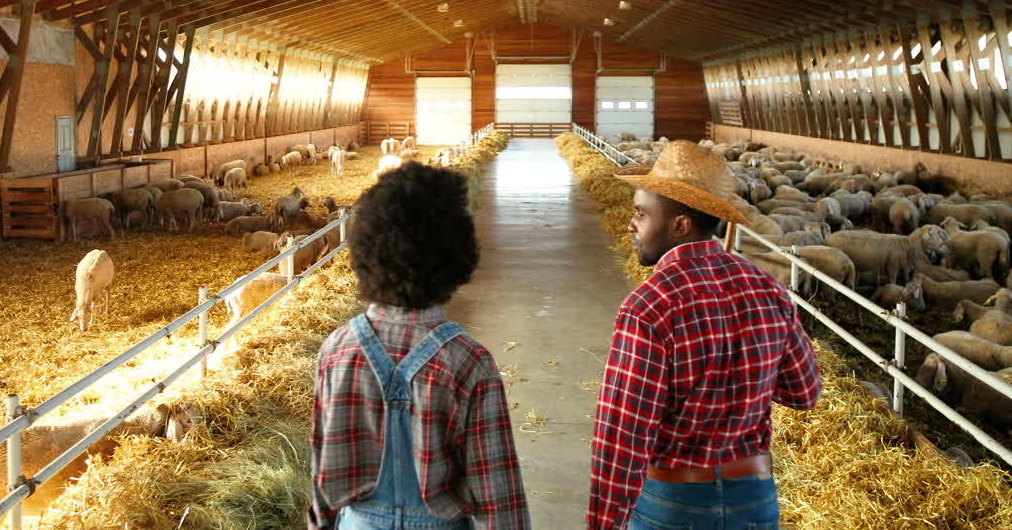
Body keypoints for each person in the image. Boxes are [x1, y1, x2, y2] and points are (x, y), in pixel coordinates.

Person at [587, 140, 822, 530]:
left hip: (673, 503)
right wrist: (746, 378)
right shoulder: (768, 288)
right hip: (755, 499)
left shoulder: (649, 306)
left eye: (641, 214)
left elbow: (624, 436)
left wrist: (603, 523)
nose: (631, 223)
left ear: (680, 225)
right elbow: (804, 393)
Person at [309, 162, 530, 530]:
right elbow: (498, 493)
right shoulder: (469, 362)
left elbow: (322, 466)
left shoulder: (337, 349)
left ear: (367, 250)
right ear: (455, 254)